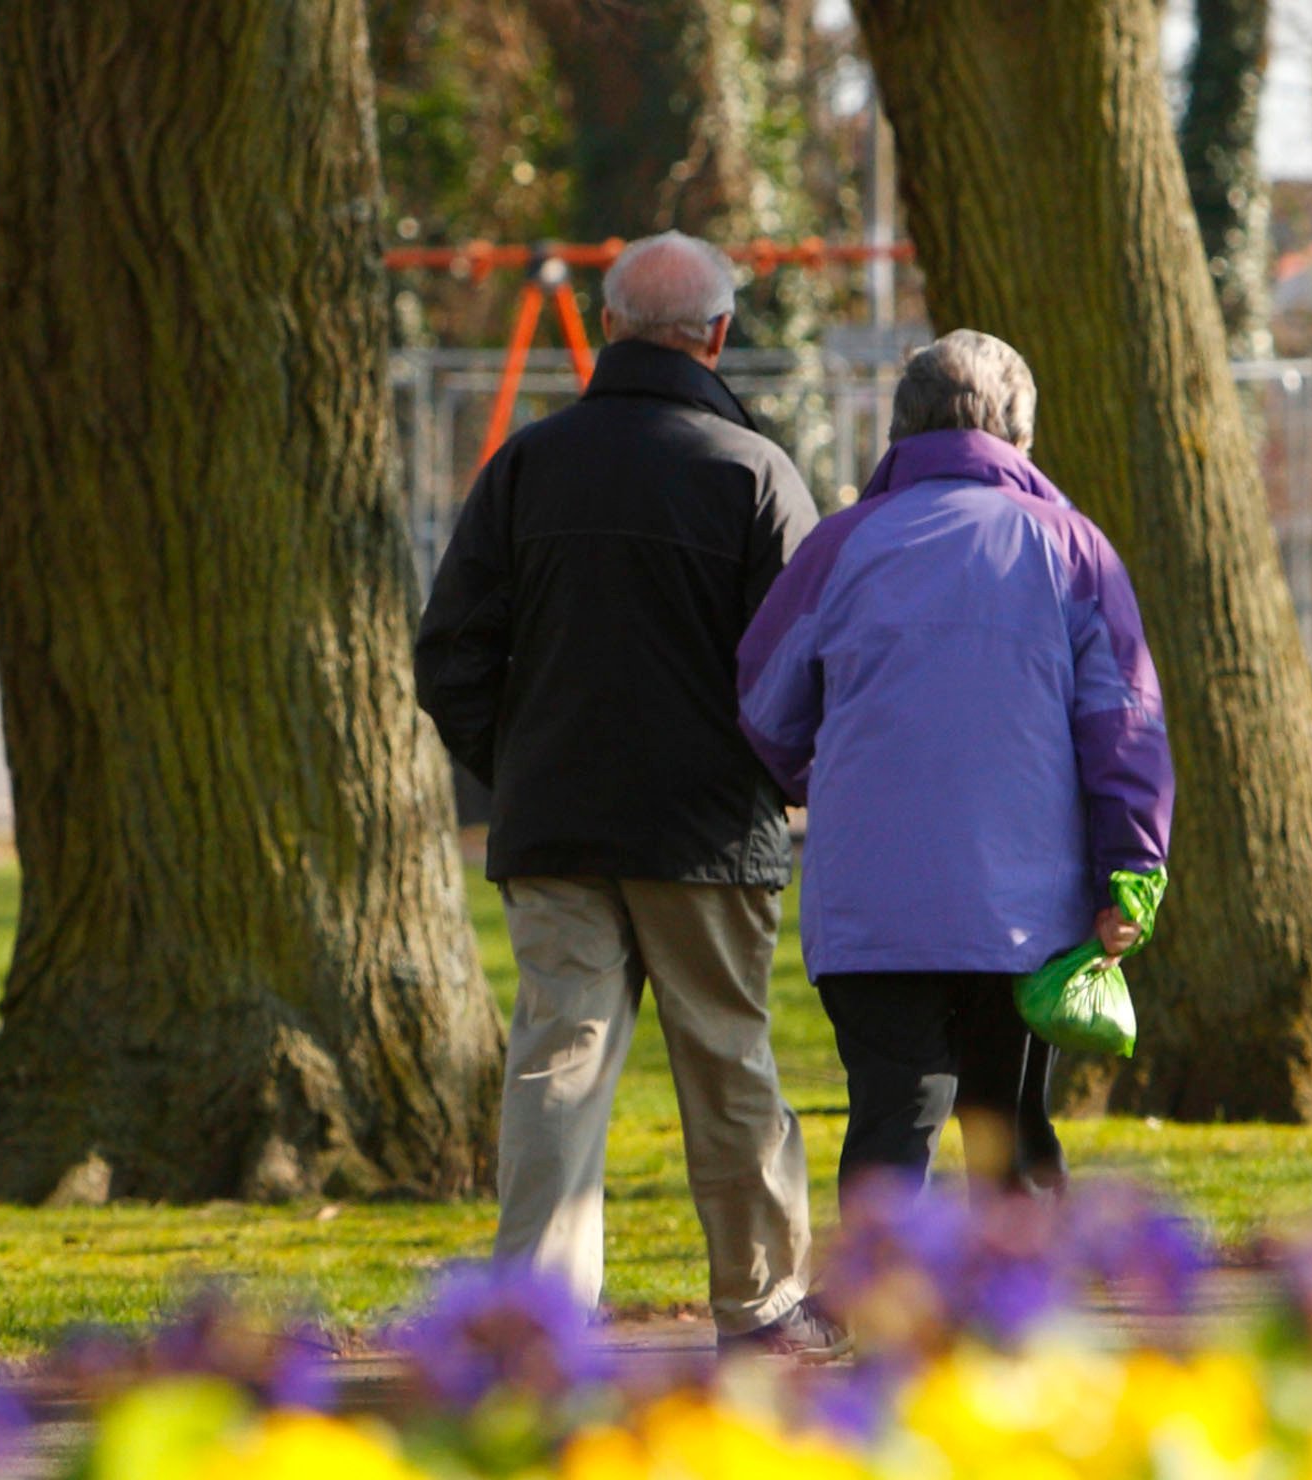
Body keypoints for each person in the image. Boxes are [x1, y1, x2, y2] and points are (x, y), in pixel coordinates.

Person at [414, 231, 843, 1358]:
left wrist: (515, 764)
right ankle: (759, 1306)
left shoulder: (524, 465)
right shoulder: (753, 473)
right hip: (708, 828)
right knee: (729, 1064)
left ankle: (537, 1324)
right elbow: (808, 661)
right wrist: (773, 778)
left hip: (557, 821)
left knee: (558, 1067)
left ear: (606, 327)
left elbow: (451, 647)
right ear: (717, 333)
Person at [736, 329, 1173, 1203]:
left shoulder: (841, 544)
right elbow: (1123, 721)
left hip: (870, 898)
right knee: (1004, 1116)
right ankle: (1021, 1313)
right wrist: (1129, 868)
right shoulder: (1073, 548)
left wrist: (822, 781)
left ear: (902, 430)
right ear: (1020, 436)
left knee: (892, 1112)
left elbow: (765, 706)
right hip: (1021, 899)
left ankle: (878, 1312)